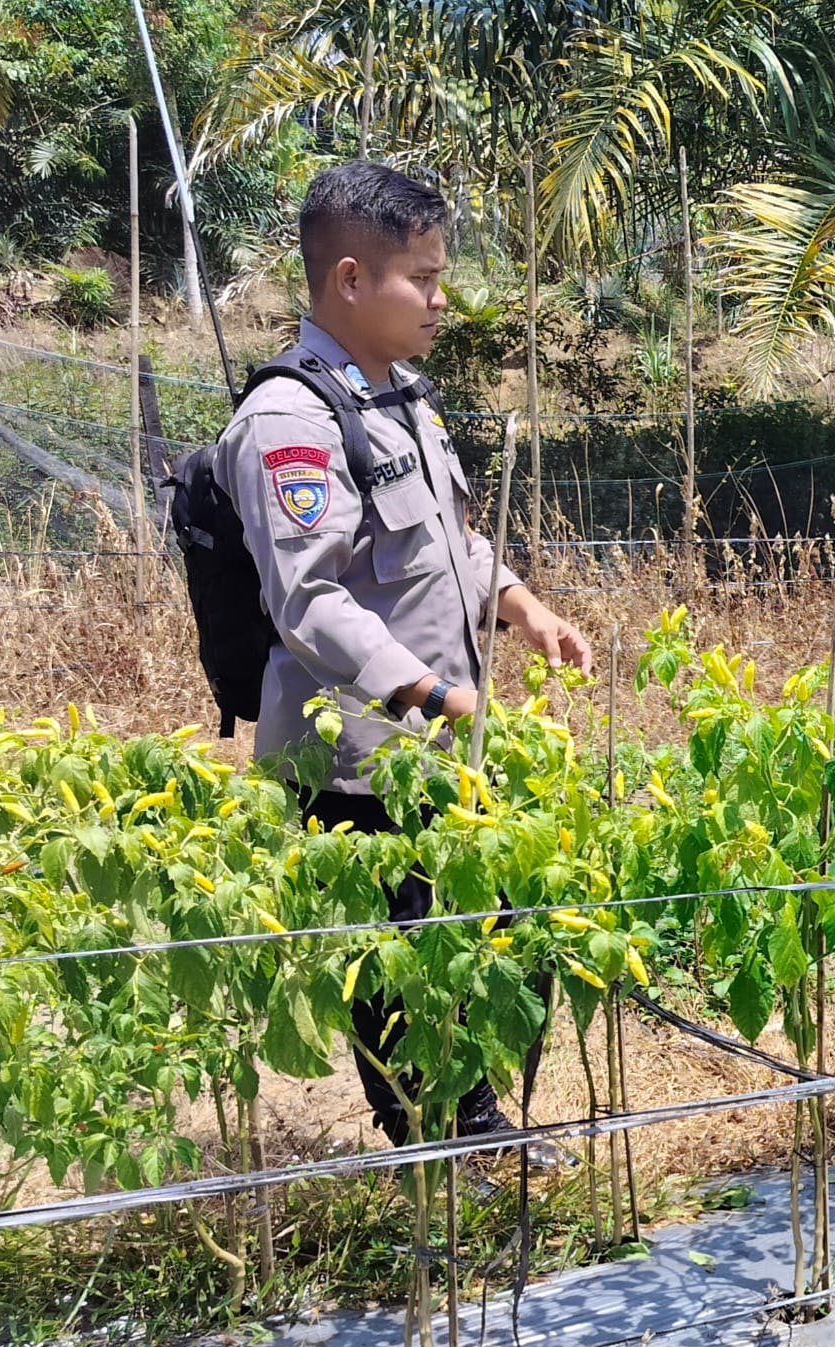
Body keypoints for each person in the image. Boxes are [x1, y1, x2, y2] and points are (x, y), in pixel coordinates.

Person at [214, 161, 592, 1153]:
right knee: (401, 952)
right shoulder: (288, 423)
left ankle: (477, 1118)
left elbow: (446, 540)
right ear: (349, 280)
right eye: (419, 279)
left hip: (440, 735)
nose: (439, 298)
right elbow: (308, 598)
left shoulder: (403, 404)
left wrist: (520, 604)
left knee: (500, 922)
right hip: (359, 751)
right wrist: (423, 688)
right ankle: (442, 1143)